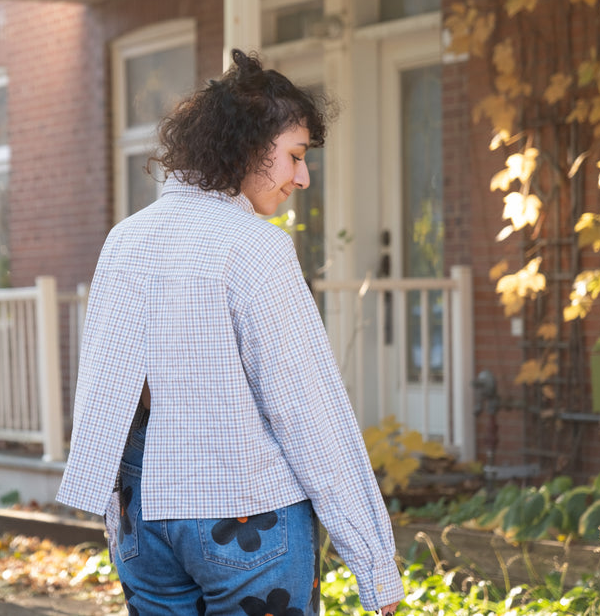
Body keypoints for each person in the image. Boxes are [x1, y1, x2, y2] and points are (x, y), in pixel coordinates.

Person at [56, 49, 402, 615]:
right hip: (246, 513)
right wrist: (374, 563)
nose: (303, 177)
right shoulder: (255, 247)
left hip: (142, 519)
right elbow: (309, 411)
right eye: (294, 156)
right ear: (247, 146)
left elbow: (108, 391)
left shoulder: (125, 240)